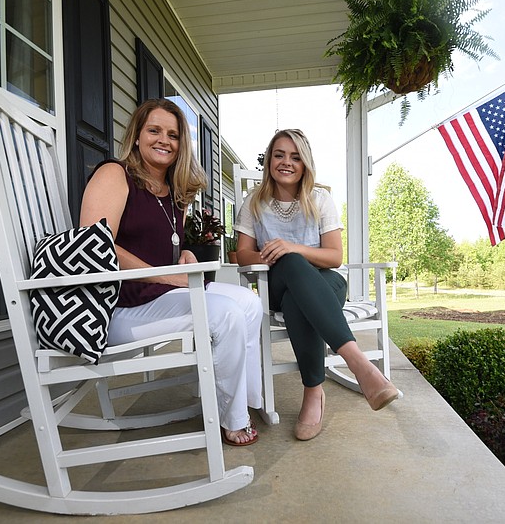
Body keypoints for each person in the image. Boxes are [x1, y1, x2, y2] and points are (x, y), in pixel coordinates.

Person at [79, 99, 263, 446]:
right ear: (137, 136)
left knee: (249, 304)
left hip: (158, 296)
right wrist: (167, 276)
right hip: (119, 308)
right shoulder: (115, 174)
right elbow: (96, 248)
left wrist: (185, 255)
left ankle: (246, 401)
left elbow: (161, 247)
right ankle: (233, 418)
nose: (164, 140)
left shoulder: (170, 191)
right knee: (223, 315)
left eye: (173, 135)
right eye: (154, 130)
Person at [234, 129, 399, 441]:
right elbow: (242, 255)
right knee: (292, 266)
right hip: (276, 288)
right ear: (269, 160)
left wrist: (293, 248)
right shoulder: (253, 203)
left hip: (327, 285)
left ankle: (313, 393)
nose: (286, 162)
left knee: (299, 292)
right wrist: (271, 254)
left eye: (295, 157)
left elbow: (334, 257)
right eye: (279, 154)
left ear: (305, 164)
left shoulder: (320, 199)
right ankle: (359, 364)